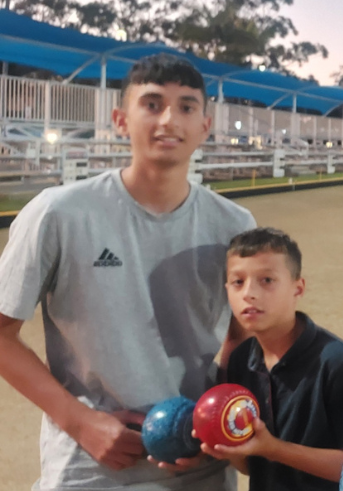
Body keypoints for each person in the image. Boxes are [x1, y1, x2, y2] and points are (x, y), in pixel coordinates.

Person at [0, 53, 255, 490]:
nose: (169, 119)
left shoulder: (235, 226)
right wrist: (80, 422)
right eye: (152, 104)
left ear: (204, 127)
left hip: (200, 466)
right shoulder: (59, 213)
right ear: (121, 119)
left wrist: (214, 425)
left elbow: (243, 337)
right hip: (89, 467)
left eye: (187, 107)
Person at [205, 227, 343, 491]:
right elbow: (253, 466)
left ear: (298, 288)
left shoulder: (336, 363)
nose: (249, 293)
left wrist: (274, 449)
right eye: (238, 282)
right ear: (227, 289)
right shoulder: (241, 360)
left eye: (267, 280)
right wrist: (230, 449)